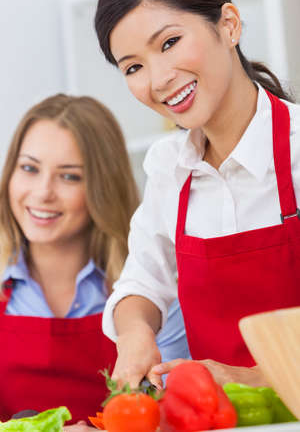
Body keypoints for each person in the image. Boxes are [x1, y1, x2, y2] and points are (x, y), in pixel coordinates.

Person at [94, 0, 300, 390]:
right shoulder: (169, 170)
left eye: (169, 42)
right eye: (133, 67)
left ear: (229, 25)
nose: (158, 80)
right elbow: (142, 282)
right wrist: (136, 333)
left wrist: (249, 380)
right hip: (216, 418)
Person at [0, 94, 190, 430]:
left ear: (102, 188)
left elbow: (179, 414)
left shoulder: (152, 296)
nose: (43, 192)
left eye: (69, 176)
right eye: (29, 168)